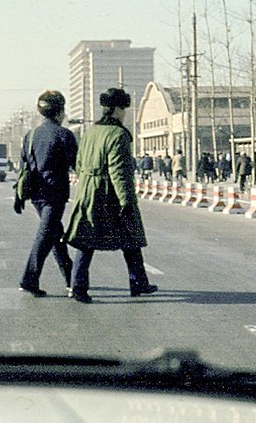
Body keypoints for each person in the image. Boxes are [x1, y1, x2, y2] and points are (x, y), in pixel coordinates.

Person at [63, 88, 157, 304]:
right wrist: (126, 200)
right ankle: (137, 282)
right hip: (109, 193)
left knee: (86, 239)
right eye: (123, 108)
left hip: (87, 190)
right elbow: (119, 171)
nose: (125, 112)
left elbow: (78, 164)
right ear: (116, 109)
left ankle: (78, 286)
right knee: (131, 237)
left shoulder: (90, 133)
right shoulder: (119, 135)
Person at [17, 90, 77, 298]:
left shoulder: (30, 136)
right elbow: (77, 164)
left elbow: (23, 166)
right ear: (60, 111)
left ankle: (71, 277)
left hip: (36, 194)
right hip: (55, 193)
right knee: (45, 235)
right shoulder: (65, 135)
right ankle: (29, 279)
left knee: (53, 233)